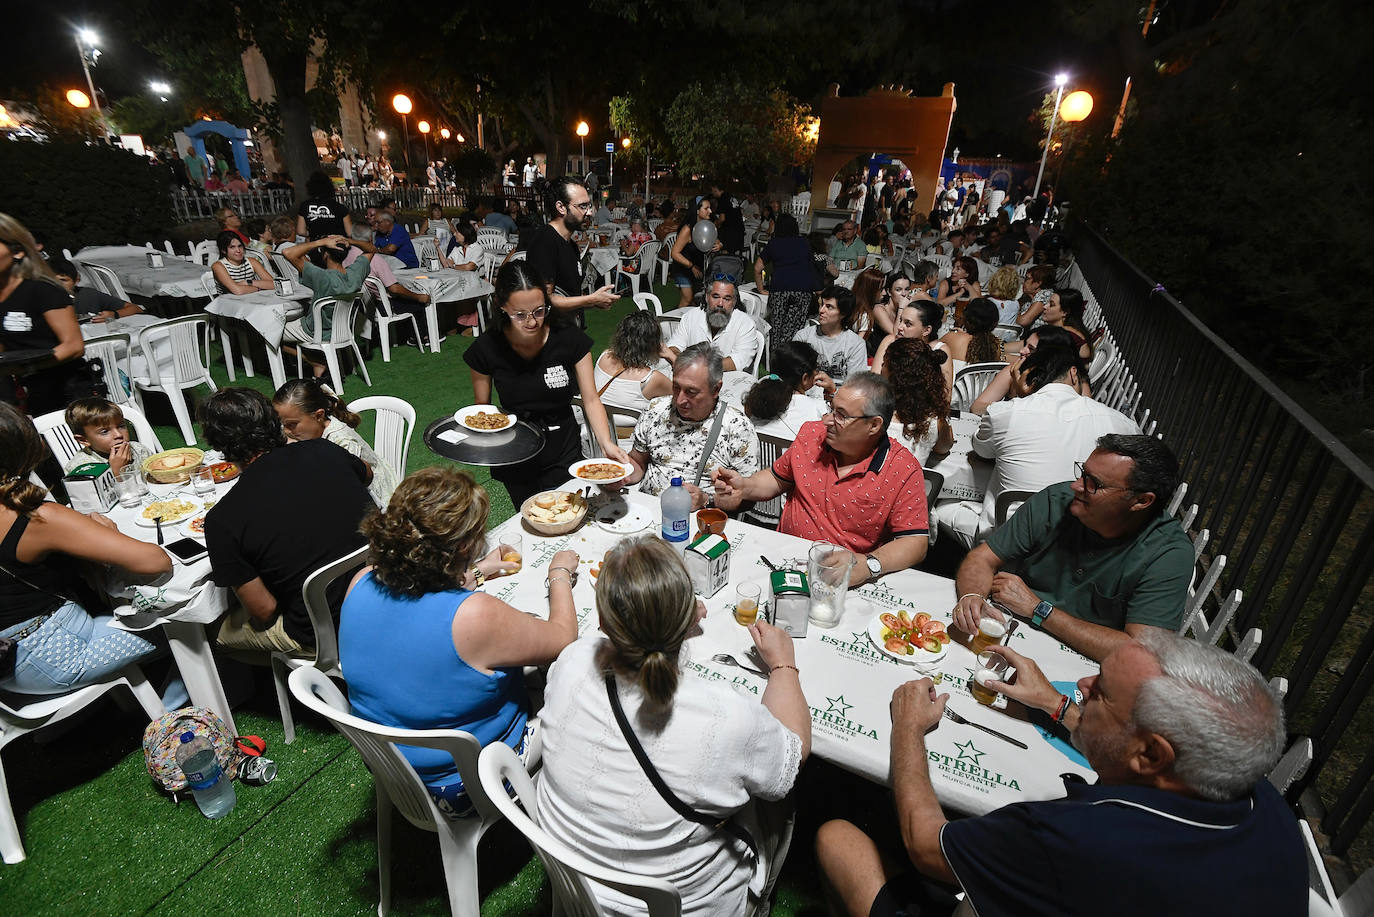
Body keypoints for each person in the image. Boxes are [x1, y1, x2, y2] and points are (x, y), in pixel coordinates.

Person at [818, 630, 1304, 917]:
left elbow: (926, 845)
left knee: (837, 837)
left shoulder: (1080, 838)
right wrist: (1054, 703)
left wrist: (907, 727)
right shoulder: (1253, 792)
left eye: (1100, 693)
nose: (1083, 685)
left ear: (1151, 756)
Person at [536, 536, 809, 916]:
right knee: (780, 796)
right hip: (679, 906)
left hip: (577, 892)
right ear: (692, 619)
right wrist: (783, 665)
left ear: (601, 621)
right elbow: (792, 754)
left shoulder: (572, 659)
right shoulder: (724, 717)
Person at [340, 466, 578, 818]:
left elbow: (423, 596)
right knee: (575, 680)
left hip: (390, 767)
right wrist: (559, 573)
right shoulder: (474, 616)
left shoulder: (361, 581)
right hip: (464, 782)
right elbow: (562, 638)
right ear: (465, 544)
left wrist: (482, 570)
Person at [952, 434, 1193, 662]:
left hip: (1085, 666)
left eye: (1093, 483)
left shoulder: (1168, 554)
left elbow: (1140, 654)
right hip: (1014, 634)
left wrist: (1039, 610)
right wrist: (972, 595)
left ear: (1141, 501)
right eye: (1083, 473)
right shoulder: (1056, 501)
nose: (1076, 486)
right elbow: (982, 559)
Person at [0, 403, 170, 694]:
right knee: (180, 624)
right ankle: (171, 713)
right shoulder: (32, 515)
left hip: (11, 654)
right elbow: (155, 562)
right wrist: (110, 532)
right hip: (44, 656)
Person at [201, 388, 374, 657]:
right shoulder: (324, 448)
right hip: (386, 590)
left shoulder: (222, 521)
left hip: (327, 633)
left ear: (217, 444)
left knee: (215, 631)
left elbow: (265, 611)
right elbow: (367, 473)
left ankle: (280, 687)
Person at [714, 373, 929, 584]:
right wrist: (745, 486)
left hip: (843, 578)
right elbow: (776, 478)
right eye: (831, 409)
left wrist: (869, 564)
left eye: (841, 415)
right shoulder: (811, 435)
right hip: (785, 560)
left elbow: (915, 541)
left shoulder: (902, 469)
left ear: (873, 425)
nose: (827, 421)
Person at [934, 344, 1138, 548]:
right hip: (1084, 542)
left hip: (1008, 538)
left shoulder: (1006, 412)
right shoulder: (1125, 425)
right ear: (1074, 373)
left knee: (940, 502)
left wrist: (1019, 398)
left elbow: (982, 450)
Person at [463, 261, 629, 506]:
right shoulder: (486, 349)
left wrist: (606, 443)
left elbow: (591, 399)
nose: (531, 322)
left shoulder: (569, 339)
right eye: (519, 315)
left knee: (568, 510)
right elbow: (483, 411)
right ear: (500, 306)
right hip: (515, 448)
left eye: (539, 311)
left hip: (562, 445)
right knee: (530, 515)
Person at [624, 343, 759, 508]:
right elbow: (638, 462)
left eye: (691, 392)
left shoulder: (737, 427)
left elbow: (749, 499)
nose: (680, 400)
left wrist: (707, 500)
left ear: (716, 389)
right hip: (646, 513)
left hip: (698, 523)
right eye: (676, 387)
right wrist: (620, 473)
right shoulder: (656, 409)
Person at [0, 216, 90, 415]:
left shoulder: (42, 290)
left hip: (68, 392)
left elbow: (74, 346)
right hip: (28, 391)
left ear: (17, 251)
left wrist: (26, 367)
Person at [272, 379, 400, 508]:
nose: (286, 431)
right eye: (282, 424)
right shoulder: (311, 430)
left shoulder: (343, 444)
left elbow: (349, 488)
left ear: (318, 416)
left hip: (378, 502)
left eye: (291, 425)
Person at [524, 177, 617, 324]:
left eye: (589, 205)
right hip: (552, 337)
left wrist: (592, 302)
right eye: (582, 206)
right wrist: (589, 299)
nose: (590, 213)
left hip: (571, 331)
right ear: (561, 207)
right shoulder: (545, 241)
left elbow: (568, 294)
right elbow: (543, 300)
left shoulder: (571, 245)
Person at [967, 326, 1088, 415]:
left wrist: (1023, 398)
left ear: (1050, 355)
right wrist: (1010, 406)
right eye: (1025, 345)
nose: (1022, 351)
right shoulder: (1015, 371)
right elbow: (977, 407)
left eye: (1031, 349)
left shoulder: (1075, 380)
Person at [281, 234, 372, 350]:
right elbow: (371, 250)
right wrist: (349, 241)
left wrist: (320, 242)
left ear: (325, 254)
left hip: (316, 333)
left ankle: (313, 361)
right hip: (344, 331)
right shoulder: (355, 273)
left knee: (270, 332)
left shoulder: (321, 276)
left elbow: (287, 252)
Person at [663, 278, 762, 373]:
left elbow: (739, 361)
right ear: (706, 297)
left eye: (727, 299)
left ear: (734, 302)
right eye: (715, 297)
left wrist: (696, 366)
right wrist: (679, 359)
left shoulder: (745, 324)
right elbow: (673, 346)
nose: (720, 303)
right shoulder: (691, 317)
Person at [754, 213, 818, 354]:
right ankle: (789, 357)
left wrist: (761, 289)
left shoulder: (774, 243)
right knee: (794, 327)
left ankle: (775, 359)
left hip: (780, 289)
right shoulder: (804, 242)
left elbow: (758, 268)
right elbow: (811, 266)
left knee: (776, 327)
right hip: (802, 289)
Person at [884, 338, 953, 464]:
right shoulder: (934, 419)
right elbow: (944, 448)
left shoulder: (878, 417)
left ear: (896, 377)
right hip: (914, 481)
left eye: (884, 364)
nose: (881, 369)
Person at [793, 285, 867, 397]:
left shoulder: (855, 344)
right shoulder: (803, 336)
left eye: (829, 307)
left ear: (843, 314)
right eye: (822, 304)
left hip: (840, 400)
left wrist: (833, 390)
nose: (821, 310)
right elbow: (791, 374)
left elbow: (856, 389)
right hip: (804, 397)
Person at [743, 341, 827, 439]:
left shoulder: (757, 399)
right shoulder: (818, 408)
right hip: (793, 454)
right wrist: (833, 390)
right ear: (805, 378)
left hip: (762, 453)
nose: (817, 372)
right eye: (816, 369)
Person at [594, 310, 672, 414]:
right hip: (629, 429)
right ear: (652, 344)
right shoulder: (651, 379)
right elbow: (682, 394)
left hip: (593, 425)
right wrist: (672, 357)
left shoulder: (605, 356)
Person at [871, 299, 950, 395]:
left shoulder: (939, 350)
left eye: (908, 324)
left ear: (926, 330)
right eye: (900, 320)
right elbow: (873, 382)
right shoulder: (890, 341)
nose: (899, 327)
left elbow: (945, 397)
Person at [61, 397, 154, 476]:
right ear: (83, 440)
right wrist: (117, 473)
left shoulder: (139, 450)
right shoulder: (80, 469)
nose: (118, 435)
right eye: (104, 431)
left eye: (121, 426)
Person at [47, 257, 145, 324]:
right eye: (49, 281)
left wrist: (114, 314)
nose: (57, 285)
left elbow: (135, 308)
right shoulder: (40, 302)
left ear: (76, 280)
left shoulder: (87, 295)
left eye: (63, 280)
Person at [669, 196, 721, 310]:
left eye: (710, 208)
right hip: (683, 268)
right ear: (697, 211)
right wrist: (691, 266)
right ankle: (676, 324)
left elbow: (715, 240)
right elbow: (675, 253)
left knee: (695, 300)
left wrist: (719, 244)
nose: (710, 211)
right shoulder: (687, 229)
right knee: (687, 299)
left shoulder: (707, 226)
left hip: (698, 269)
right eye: (706, 208)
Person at [938, 297, 1006, 371]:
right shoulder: (995, 346)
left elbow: (930, 350)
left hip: (954, 382)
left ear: (966, 318)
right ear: (994, 324)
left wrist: (959, 334)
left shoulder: (953, 338)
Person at [210, 230, 275, 295]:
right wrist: (260, 288)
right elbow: (238, 291)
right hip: (228, 302)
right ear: (223, 251)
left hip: (251, 299)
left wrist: (248, 283)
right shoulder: (218, 266)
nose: (238, 250)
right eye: (232, 247)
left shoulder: (252, 262)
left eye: (240, 246)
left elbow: (274, 284)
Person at [295, 171, 353, 242]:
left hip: (316, 244)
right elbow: (350, 232)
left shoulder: (305, 206)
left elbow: (300, 231)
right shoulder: (339, 207)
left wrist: (312, 234)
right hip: (336, 244)